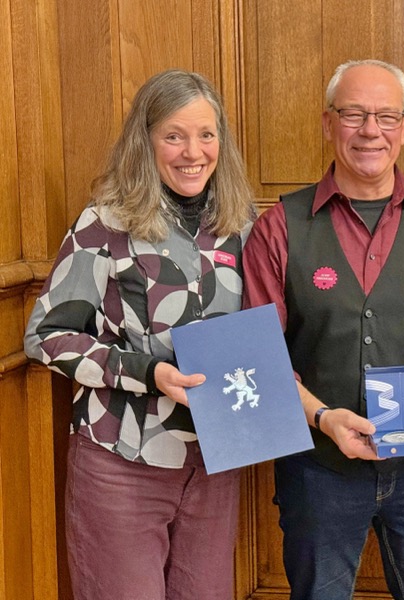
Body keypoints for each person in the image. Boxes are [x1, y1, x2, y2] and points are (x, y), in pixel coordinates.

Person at [242, 58, 404, 600]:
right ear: (328, 123)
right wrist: (323, 418)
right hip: (318, 469)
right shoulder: (279, 228)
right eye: (353, 114)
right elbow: (257, 358)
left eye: (385, 116)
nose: (369, 130)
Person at [24, 69, 255, 599]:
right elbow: (46, 335)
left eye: (206, 134)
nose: (193, 152)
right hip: (122, 459)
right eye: (174, 136)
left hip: (216, 461)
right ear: (145, 142)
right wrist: (149, 373)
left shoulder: (242, 224)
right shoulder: (104, 224)